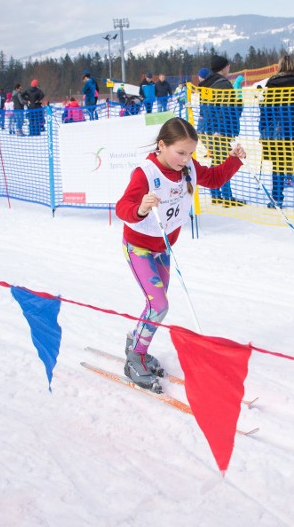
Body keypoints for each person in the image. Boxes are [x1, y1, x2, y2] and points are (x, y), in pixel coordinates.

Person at [115, 117, 246, 392]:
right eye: (180, 152)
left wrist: (233, 161)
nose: (186, 159)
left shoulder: (187, 168)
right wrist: (140, 208)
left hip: (163, 248)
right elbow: (122, 207)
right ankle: (134, 358)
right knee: (159, 305)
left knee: (156, 305)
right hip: (139, 247)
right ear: (162, 145)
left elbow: (213, 178)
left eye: (190, 153)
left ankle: (135, 342)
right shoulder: (146, 173)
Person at [261, 53, 294, 208]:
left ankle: (277, 198)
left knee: (278, 164)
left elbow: (266, 109)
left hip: (278, 130)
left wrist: (263, 127)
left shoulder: (272, 84)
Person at [198, 55, 246, 207]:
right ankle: (226, 197)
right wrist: (220, 128)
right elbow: (224, 109)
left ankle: (216, 194)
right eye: (228, 66)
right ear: (223, 67)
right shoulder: (222, 84)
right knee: (225, 161)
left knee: (217, 160)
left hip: (209, 129)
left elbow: (206, 108)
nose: (229, 68)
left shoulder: (208, 83)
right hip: (221, 130)